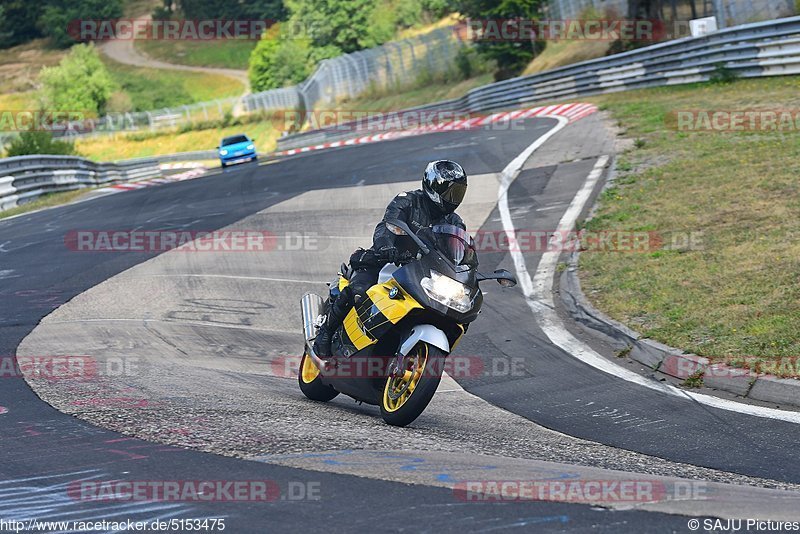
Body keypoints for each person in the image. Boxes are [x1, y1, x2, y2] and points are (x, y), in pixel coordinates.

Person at [312, 159, 469, 358]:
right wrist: (386, 247)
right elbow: (386, 226)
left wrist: (466, 268)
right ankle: (325, 333)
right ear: (433, 186)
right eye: (450, 192)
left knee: (452, 309)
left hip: (421, 273)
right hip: (386, 261)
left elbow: (459, 251)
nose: (454, 198)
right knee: (359, 291)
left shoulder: (455, 222)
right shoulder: (407, 201)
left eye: (458, 193)